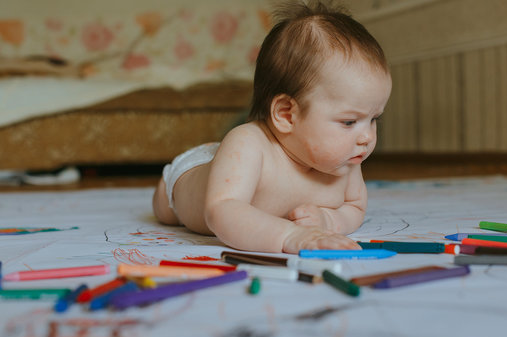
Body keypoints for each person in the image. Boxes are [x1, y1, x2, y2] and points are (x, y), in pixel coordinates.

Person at [152, 0, 392, 253]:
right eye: (349, 122)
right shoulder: (248, 144)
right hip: (190, 173)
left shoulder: (345, 159)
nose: (367, 137)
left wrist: (329, 220)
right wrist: (289, 236)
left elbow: (354, 208)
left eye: (374, 118)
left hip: (228, 160)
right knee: (164, 211)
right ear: (287, 115)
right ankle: (166, 188)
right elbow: (222, 211)